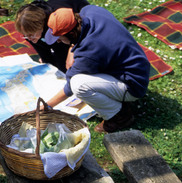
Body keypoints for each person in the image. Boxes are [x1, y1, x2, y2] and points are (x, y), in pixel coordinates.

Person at [40, 5, 150, 133]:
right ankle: (116, 99)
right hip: (138, 68)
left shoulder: (90, 53)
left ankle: (120, 116)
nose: (58, 41)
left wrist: (47, 106)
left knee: (79, 84)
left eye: (59, 38)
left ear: (71, 34)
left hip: (134, 85)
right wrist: (72, 49)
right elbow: (79, 38)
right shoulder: (91, 11)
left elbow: (70, 87)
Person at [15, 0, 89, 73]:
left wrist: (72, 48)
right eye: (25, 35)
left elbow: (72, 38)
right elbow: (45, 56)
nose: (29, 38)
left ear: (40, 26)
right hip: (50, 31)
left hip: (80, 23)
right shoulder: (31, 33)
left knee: (70, 63)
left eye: (31, 35)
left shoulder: (55, 21)